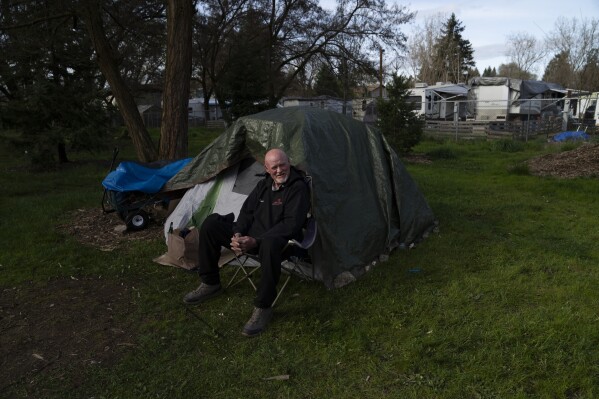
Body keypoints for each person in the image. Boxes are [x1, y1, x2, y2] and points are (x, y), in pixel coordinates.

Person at [183, 148, 310, 337]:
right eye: (274, 167)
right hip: (249, 237)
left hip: (278, 243)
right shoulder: (263, 185)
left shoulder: (297, 187)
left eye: (282, 164)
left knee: (268, 244)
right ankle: (210, 283)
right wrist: (237, 234)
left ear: (288, 163)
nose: (279, 170)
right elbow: (246, 212)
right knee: (211, 224)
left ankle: (263, 307)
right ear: (266, 169)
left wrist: (255, 240)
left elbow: (291, 224)